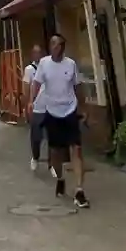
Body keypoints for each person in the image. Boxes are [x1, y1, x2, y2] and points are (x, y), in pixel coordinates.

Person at [35, 34, 89, 209]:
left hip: (70, 110)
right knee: (56, 153)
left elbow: (77, 87)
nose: (55, 47)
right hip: (52, 112)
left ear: (63, 47)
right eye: (53, 44)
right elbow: (36, 84)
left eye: (59, 44)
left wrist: (83, 108)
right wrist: (30, 103)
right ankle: (60, 178)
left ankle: (79, 191)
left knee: (76, 149)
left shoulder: (70, 64)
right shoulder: (44, 64)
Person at [23, 43, 46, 172]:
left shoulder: (47, 67)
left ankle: (53, 163)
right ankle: (35, 157)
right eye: (35, 52)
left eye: (39, 52)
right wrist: (27, 105)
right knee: (36, 136)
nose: (38, 55)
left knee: (52, 135)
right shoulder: (29, 70)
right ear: (32, 55)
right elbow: (26, 88)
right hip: (36, 106)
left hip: (49, 106)